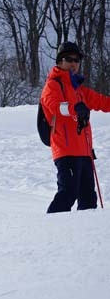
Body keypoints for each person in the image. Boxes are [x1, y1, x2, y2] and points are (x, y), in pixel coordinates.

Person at [41, 41, 110, 213]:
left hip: (84, 152)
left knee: (88, 199)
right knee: (68, 193)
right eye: (68, 59)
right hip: (65, 150)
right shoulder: (52, 85)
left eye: (76, 60)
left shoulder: (80, 90)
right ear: (60, 61)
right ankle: (48, 226)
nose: (73, 63)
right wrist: (75, 108)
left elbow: (102, 102)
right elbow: (55, 106)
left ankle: (84, 229)